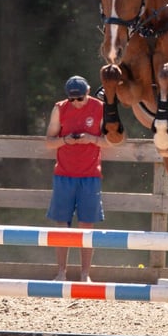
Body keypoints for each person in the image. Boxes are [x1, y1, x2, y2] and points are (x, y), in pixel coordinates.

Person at [44, 75, 113, 282]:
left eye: (79, 98)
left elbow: (112, 140)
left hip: (90, 175)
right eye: (72, 99)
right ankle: (61, 272)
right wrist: (66, 140)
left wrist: (91, 139)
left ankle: (85, 274)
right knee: (61, 225)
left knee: (86, 226)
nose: (76, 103)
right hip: (64, 174)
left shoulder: (100, 108)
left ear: (88, 91)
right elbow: (49, 141)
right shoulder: (59, 108)